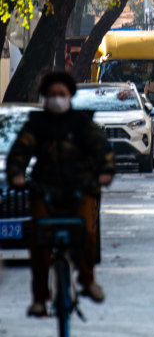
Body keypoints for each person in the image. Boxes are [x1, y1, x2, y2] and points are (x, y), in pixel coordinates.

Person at [7, 71, 115, 317]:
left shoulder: (81, 123)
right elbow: (19, 153)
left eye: (61, 95)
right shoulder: (36, 125)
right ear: (45, 97)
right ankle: (40, 299)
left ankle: (87, 281)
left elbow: (101, 149)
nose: (57, 99)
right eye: (52, 95)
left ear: (70, 96)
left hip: (80, 188)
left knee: (87, 231)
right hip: (44, 189)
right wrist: (17, 174)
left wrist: (105, 171)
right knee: (38, 241)